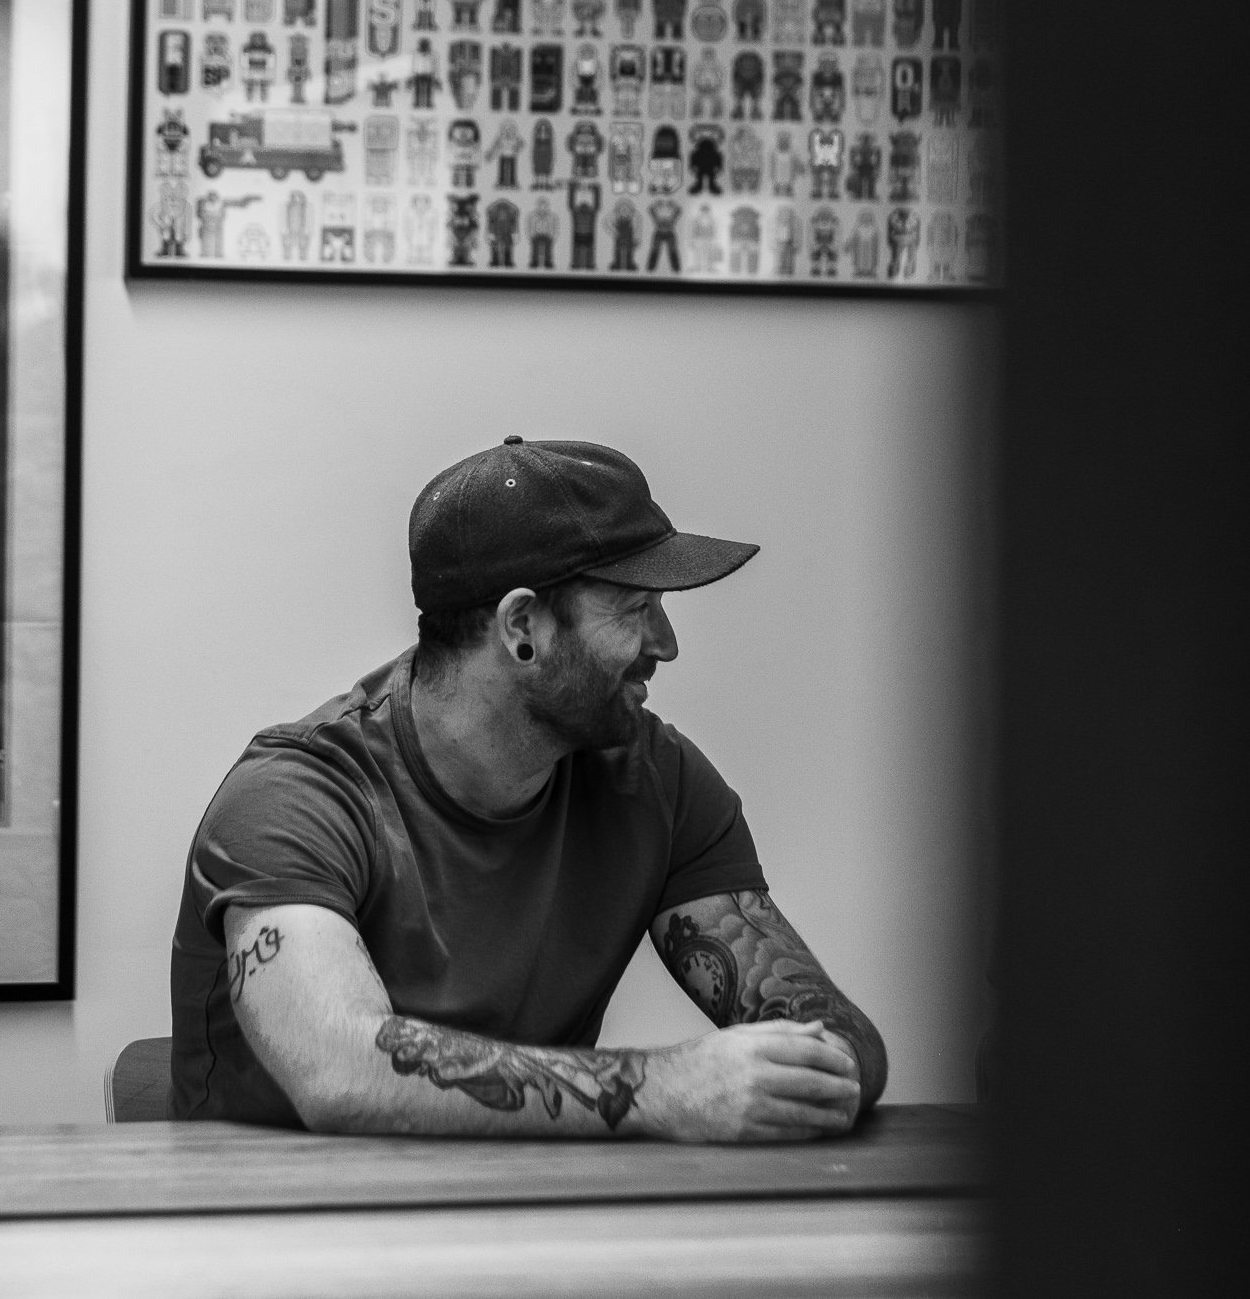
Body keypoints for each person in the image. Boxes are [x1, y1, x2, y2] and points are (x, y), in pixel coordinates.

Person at [169, 439, 887, 1140]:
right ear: (522, 627)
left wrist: (820, 1068)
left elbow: (834, 1041)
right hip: (275, 1228)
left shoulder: (656, 779)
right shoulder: (295, 797)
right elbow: (342, 1072)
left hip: (536, 1219)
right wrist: (667, 1090)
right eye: (636, 610)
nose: (666, 645)